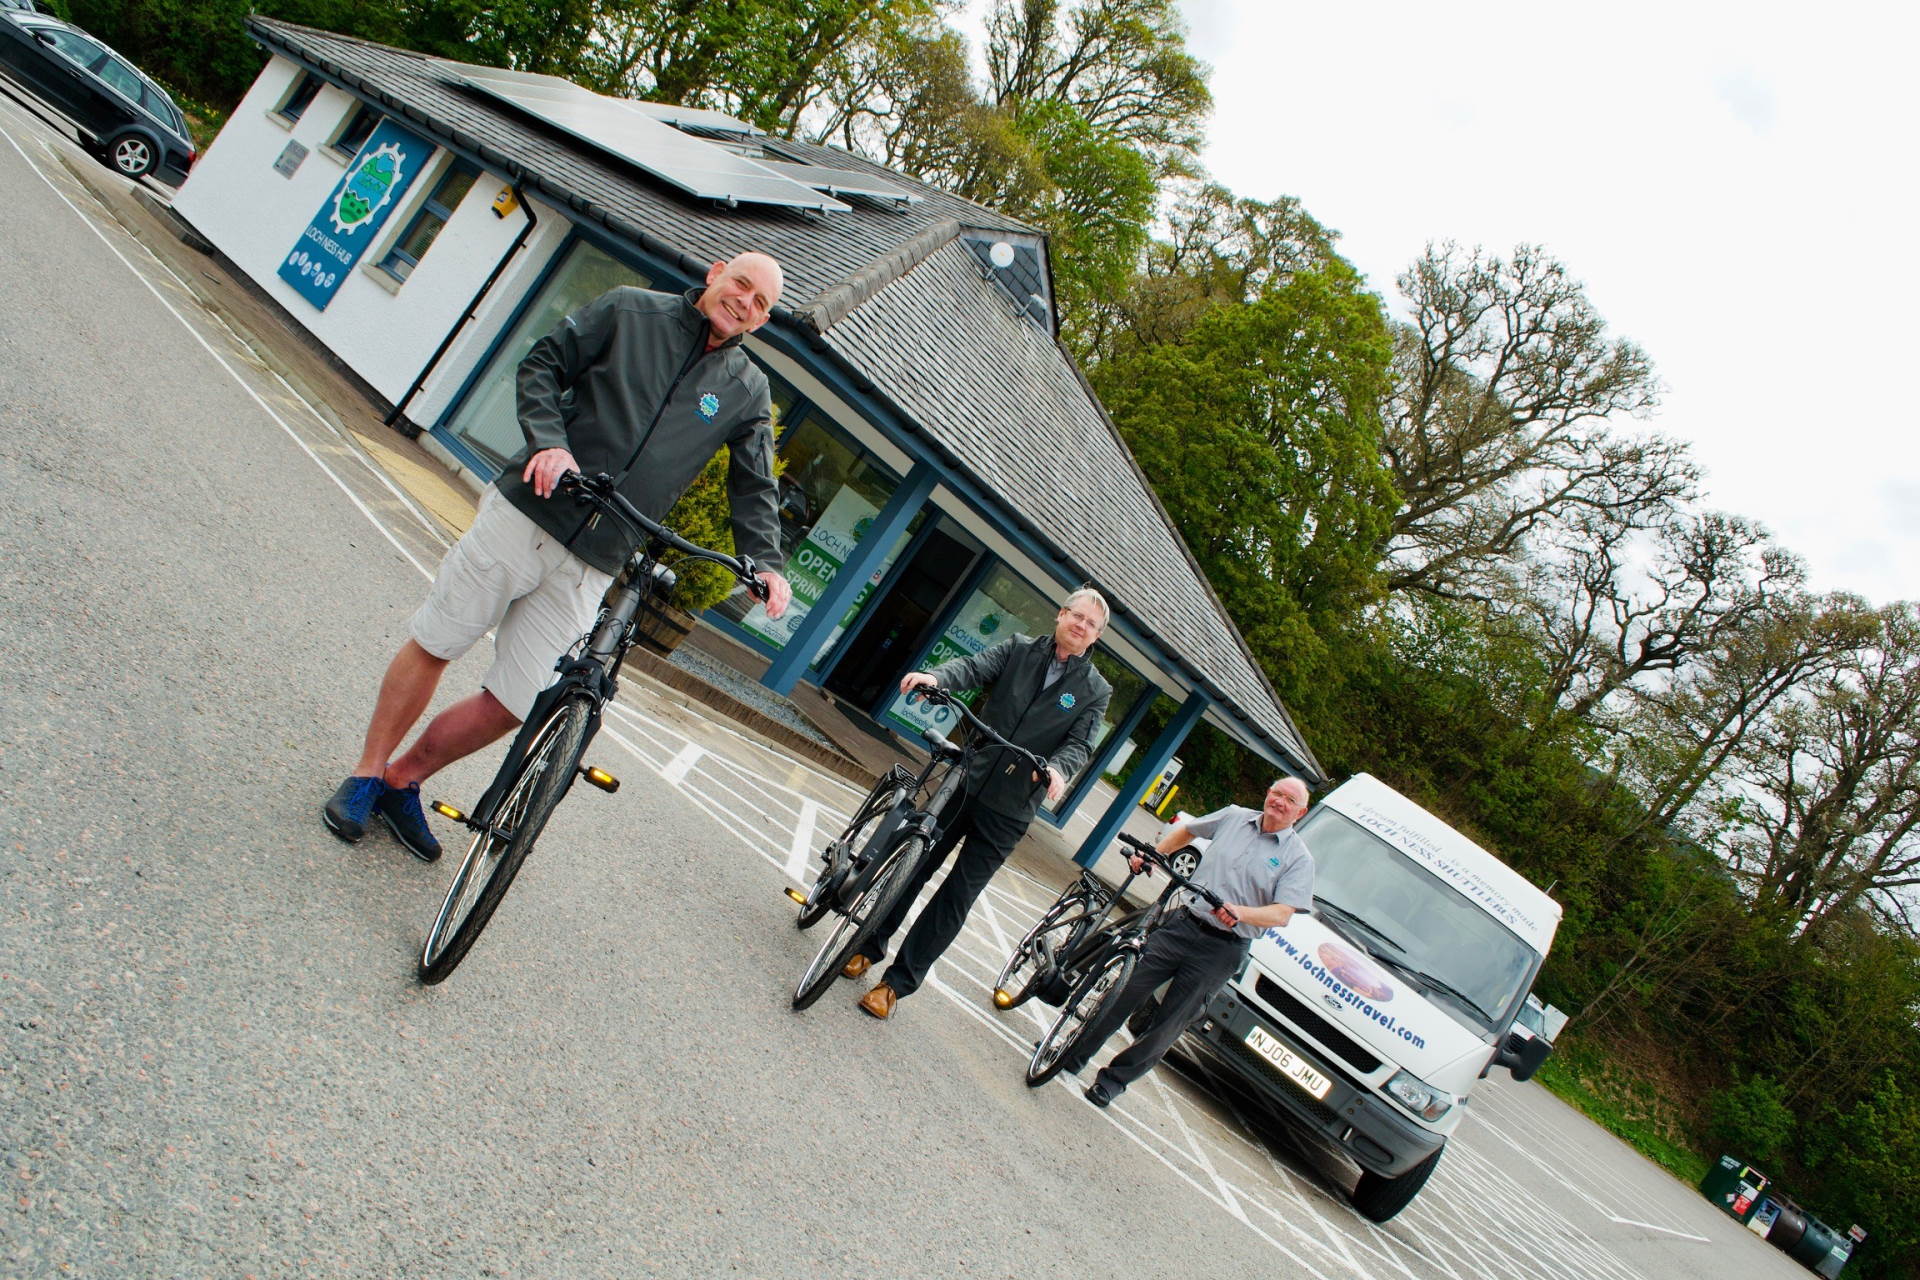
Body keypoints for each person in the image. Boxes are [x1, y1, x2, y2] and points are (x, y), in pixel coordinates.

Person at [322, 253, 794, 860]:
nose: (745, 304)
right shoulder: (630, 308)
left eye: (760, 304)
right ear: (716, 274)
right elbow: (543, 364)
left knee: (516, 703)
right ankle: (364, 773)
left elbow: (754, 484)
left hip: (596, 558)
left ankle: (401, 779)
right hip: (528, 512)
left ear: (762, 321)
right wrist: (548, 443)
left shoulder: (747, 389)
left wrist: (767, 562)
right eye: (741, 286)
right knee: (438, 643)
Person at [848, 589, 1115, 1020]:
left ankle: (896, 984)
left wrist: (1058, 770)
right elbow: (972, 668)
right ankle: (868, 946)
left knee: (956, 897)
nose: (1080, 625)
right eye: (1076, 615)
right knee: (912, 865)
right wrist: (937, 678)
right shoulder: (1019, 648)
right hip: (967, 778)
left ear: (1095, 637)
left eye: (1090, 624)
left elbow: (1080, 743)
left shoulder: (1094, 690)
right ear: (1061, 614)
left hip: (1011, 809)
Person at [1057, 776, 1314, 1108]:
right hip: (1183, 924)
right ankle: (1072, 1056)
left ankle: (1113, 1081)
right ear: (1267, 793)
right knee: (1124, 991)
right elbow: (1188, 831)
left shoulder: (1298, 858)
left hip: (1223, 949)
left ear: (1301, 812)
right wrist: (1154, 854)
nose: (1279, 801)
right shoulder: (1234, 817)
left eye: (1289, 800)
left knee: (1170, 1022)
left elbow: (1282, 913)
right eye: (1276, 793)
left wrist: (1242, 913)